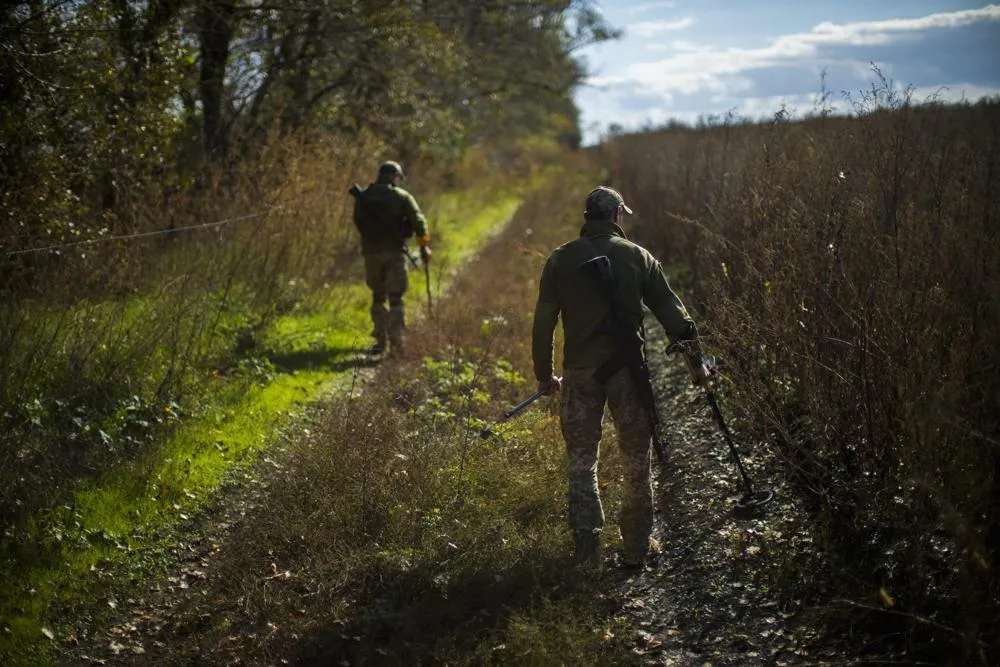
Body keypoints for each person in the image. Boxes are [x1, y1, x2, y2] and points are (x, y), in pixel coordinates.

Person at [531, 185, 709, 569]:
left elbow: (543, 323)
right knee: (635, 459)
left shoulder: (559, 260)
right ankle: (636, 549)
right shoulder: (638, 256)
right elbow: (676, 318)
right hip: (628, 373)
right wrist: (698, 367)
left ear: (587, 218)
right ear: (617, 216)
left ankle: (587, 550)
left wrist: (545, 377)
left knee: (582, 461)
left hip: (579, 375)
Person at [352, 160, 432, 357]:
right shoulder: (401, 196)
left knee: (378, 296)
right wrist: (424, 246)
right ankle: (397, 342)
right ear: (395, 177)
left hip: (371, 253)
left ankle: (380, 340)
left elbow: (358, 222)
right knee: (395, 298)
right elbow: (418, 221)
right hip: (395, 253)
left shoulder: (364, 197)